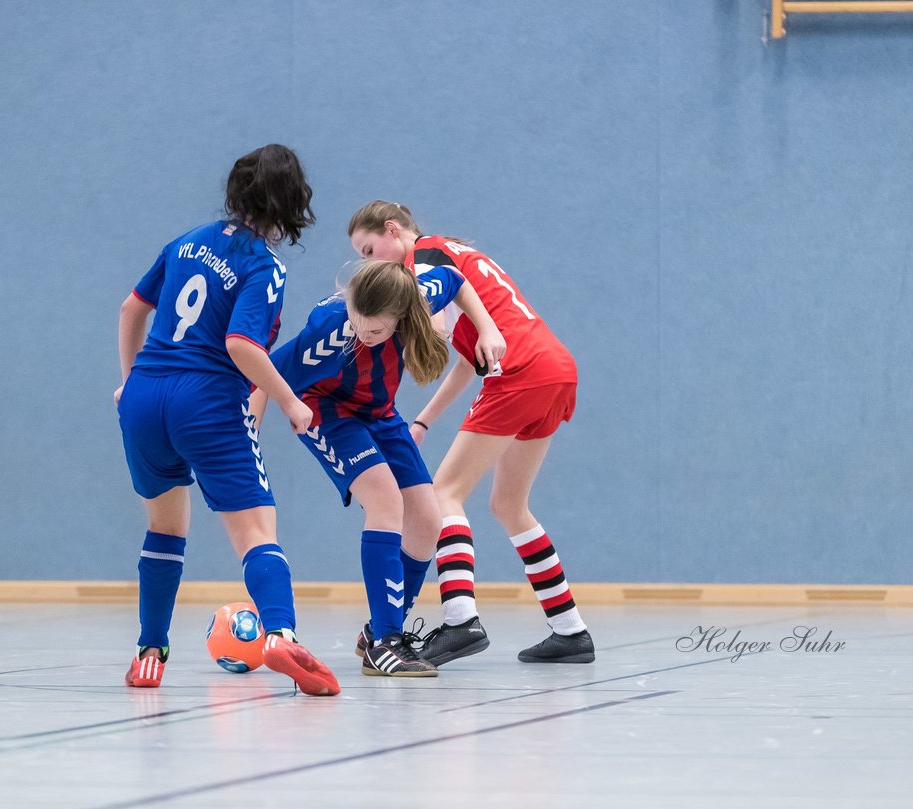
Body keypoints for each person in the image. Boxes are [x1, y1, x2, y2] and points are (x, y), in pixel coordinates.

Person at [115, 144, 339, 696]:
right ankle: (281, 635)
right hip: (208, 401)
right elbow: (241, 344)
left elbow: (131, 309)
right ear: (291, 203)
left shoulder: (186, 240)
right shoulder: (263, 264)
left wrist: (128, 381)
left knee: (165, 528)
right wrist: (289, 400)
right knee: (257, 533)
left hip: (145, 396)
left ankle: (149, 652)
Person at [347, 201, 595, 665]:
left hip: (517, 371)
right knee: (509, 505)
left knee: (443, 494)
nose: (369, 263)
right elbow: (468, 361)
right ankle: (570, 629)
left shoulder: (422, 254)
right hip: (554, 368)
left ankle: (461, 620)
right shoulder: (456, 256)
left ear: (393, 230)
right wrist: (423, 420)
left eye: (368, 249)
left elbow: (436, 323)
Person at [253, 259, 505, 676]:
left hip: (379, 412)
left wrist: (488, 328)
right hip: (325, 410)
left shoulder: (417, 297)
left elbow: (456, 279)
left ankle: (378, 630)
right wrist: (253, 431)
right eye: (360, 323)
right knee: (385, 500)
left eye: (378, 331)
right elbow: (263, 371)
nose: (365, 336)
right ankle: (385, 642)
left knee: (427, 520)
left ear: (402, 317)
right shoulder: (333, 329)